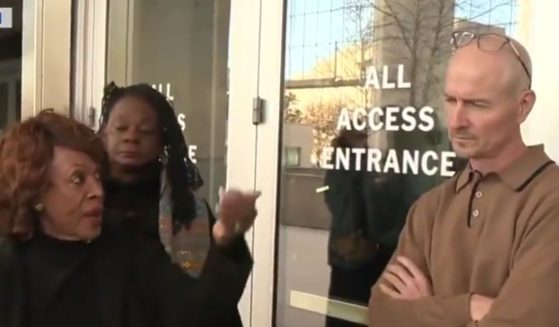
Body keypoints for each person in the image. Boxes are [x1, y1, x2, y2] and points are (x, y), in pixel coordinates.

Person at [368, 31, 559, 326]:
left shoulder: (550, 201)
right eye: (450, 100)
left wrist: (425, 309)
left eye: (477, 104)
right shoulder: (431, 207)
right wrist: (469, 307)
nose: (456, 121)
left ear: (523, 106)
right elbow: (382, 314)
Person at [0, 110, 256, 327]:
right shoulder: (10, 265)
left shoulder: (126, 248)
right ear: (36, 191)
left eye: (97, 177)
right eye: (78, 179)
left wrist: (225, 239)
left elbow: (194, 314)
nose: (97, 192)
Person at [98, 82, 253, 325]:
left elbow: (213, 305)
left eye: (146, 130)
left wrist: (225, 242)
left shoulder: (187, 212)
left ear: (162, 141)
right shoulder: (82, 204)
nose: (131, 137)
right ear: (104, 133)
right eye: (121, 127)